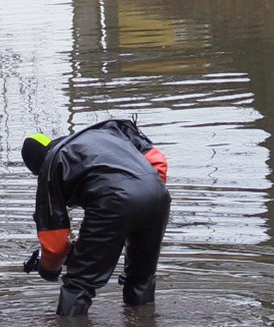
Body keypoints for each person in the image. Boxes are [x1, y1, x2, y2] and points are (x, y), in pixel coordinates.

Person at [21, 119, 170, 316]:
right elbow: (157, 159)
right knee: (140, 278)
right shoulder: (107, 133)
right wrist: (140, 200)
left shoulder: (51, 164)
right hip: (157, 195)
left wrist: (48, 269)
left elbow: (54, 240)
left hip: (112, 202)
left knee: (79, 284)